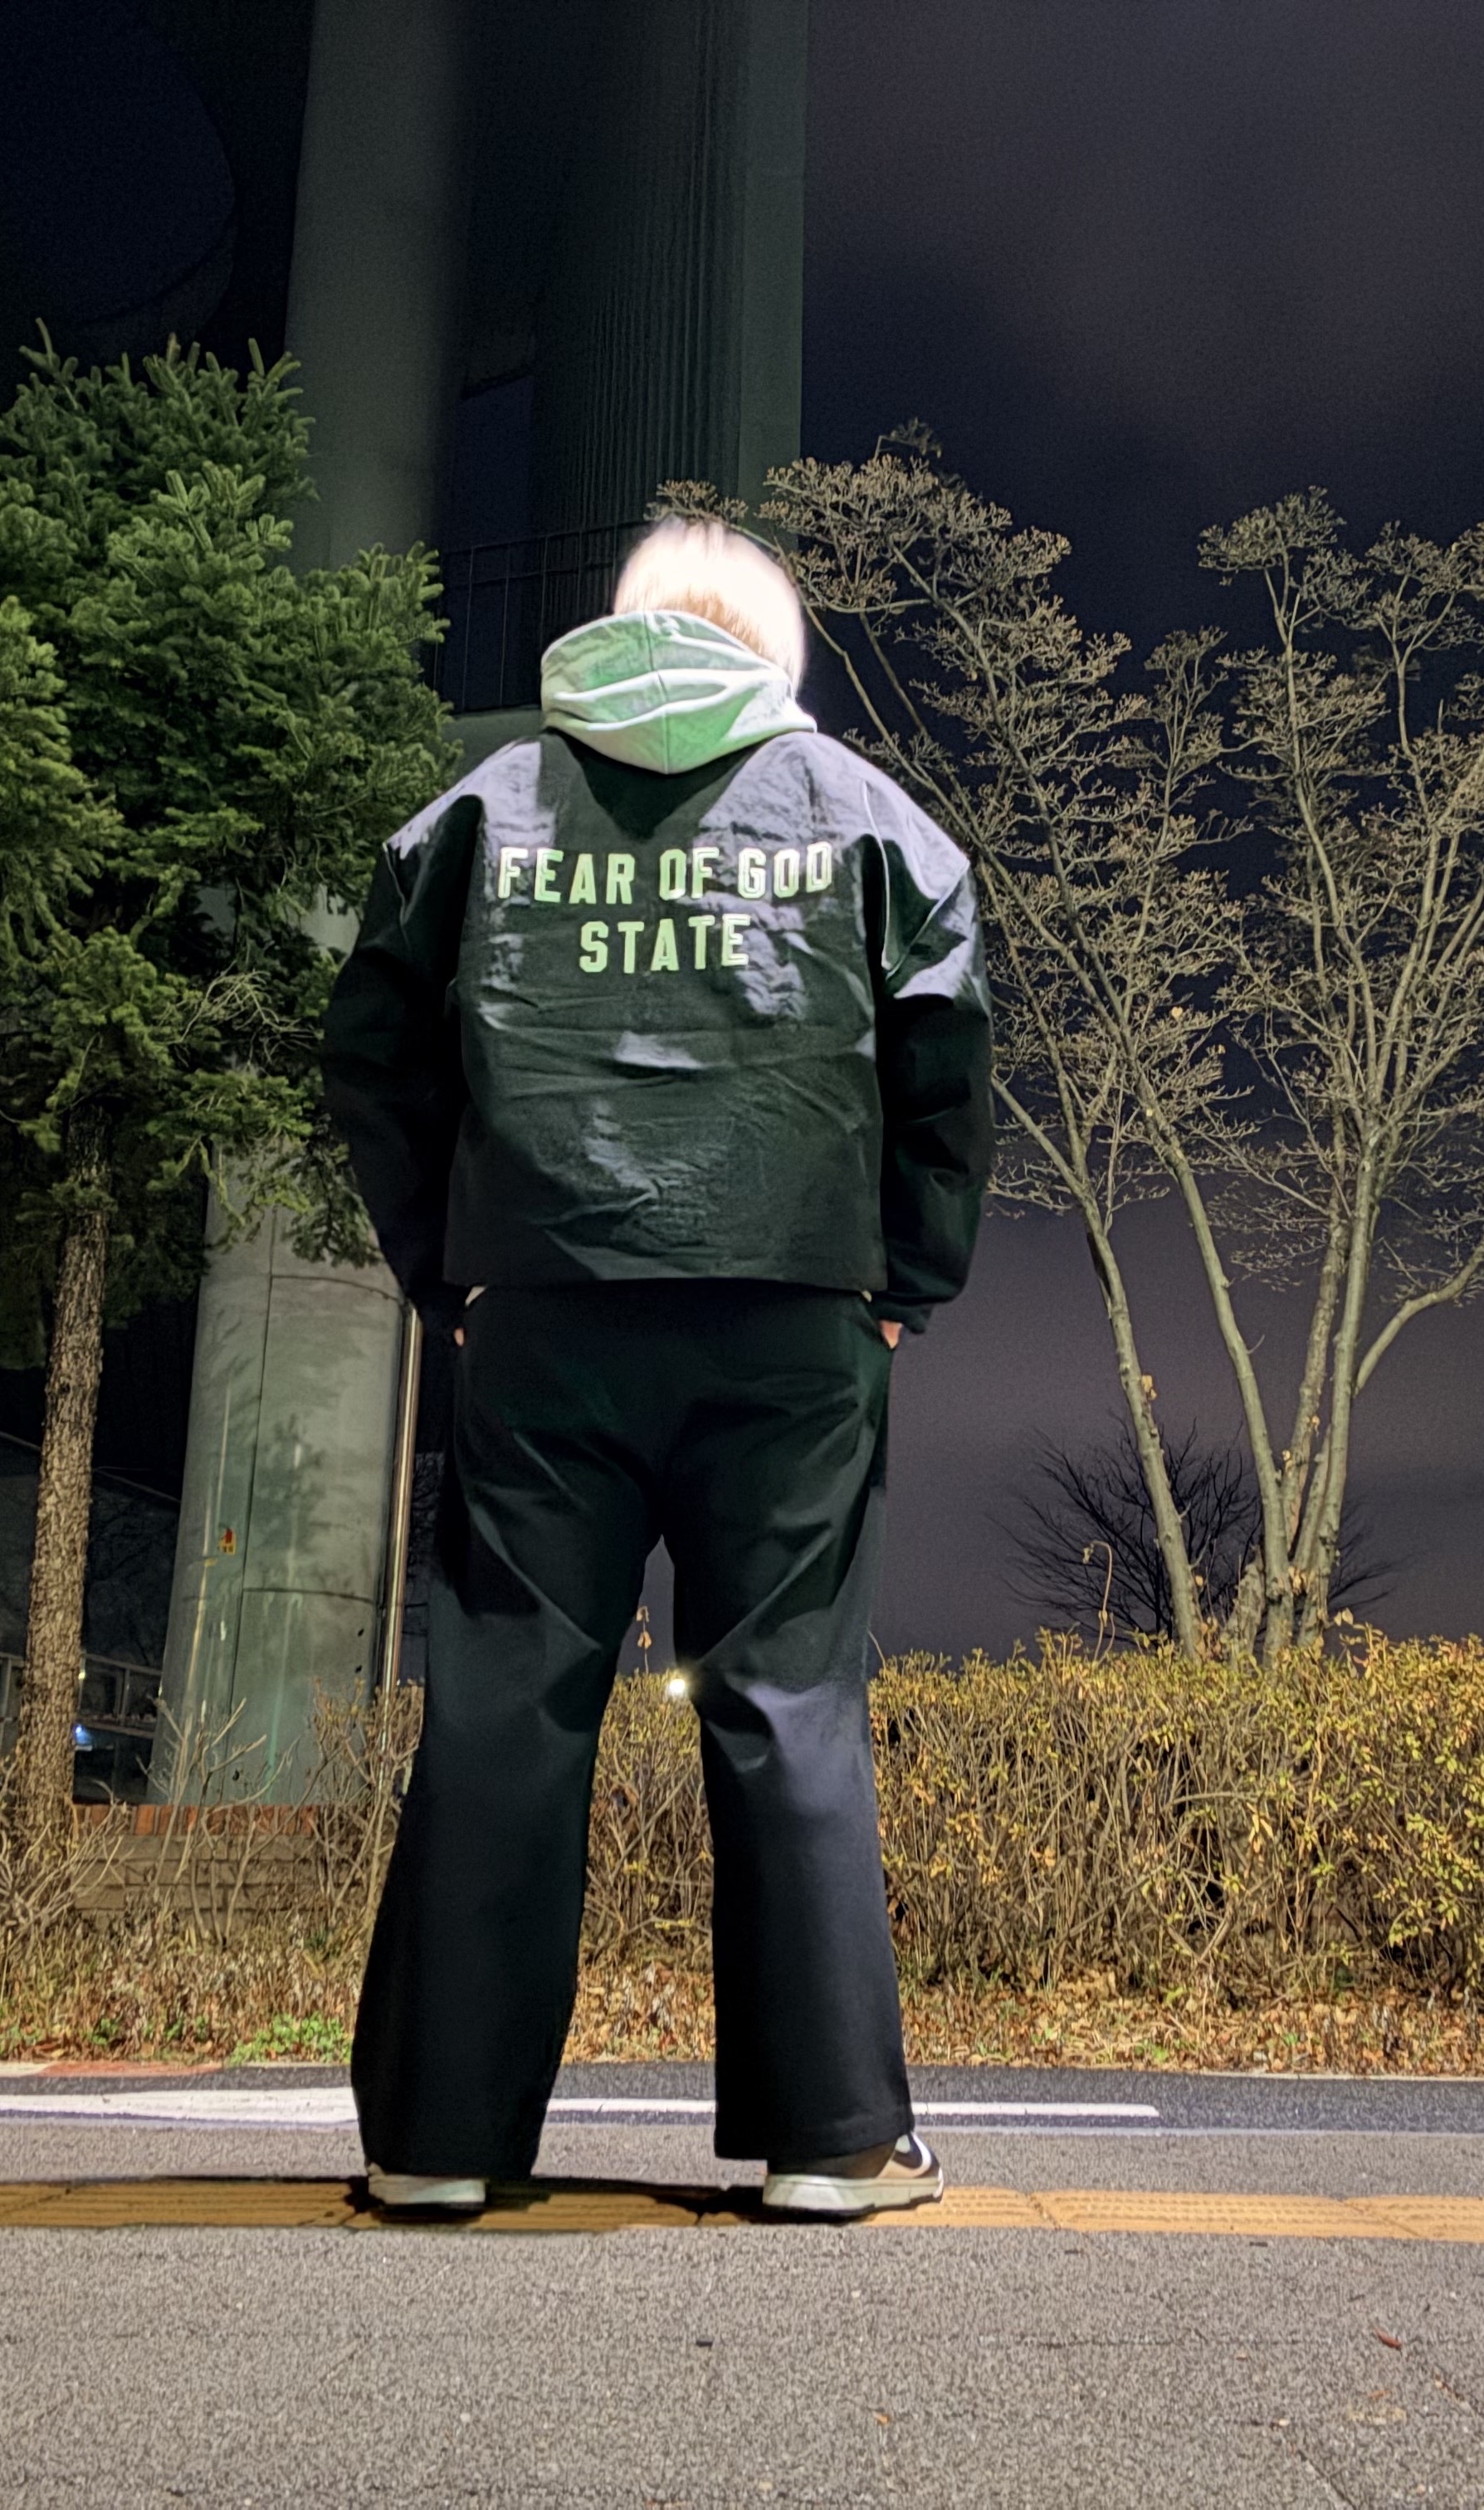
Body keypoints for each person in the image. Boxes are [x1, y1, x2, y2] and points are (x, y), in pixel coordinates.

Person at [321, 518, 993, 2217]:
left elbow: (377, 1060)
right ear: (778, 658)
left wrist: (442, 1274)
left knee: (503, 1708)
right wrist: (903, 1282)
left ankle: (440, 2145)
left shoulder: (475, 816)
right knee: (790, 1702)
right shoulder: (867, 817)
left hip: (539, 1316)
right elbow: (944, 1061)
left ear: (615, 641)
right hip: (791, 1322)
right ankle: (834, 2138)